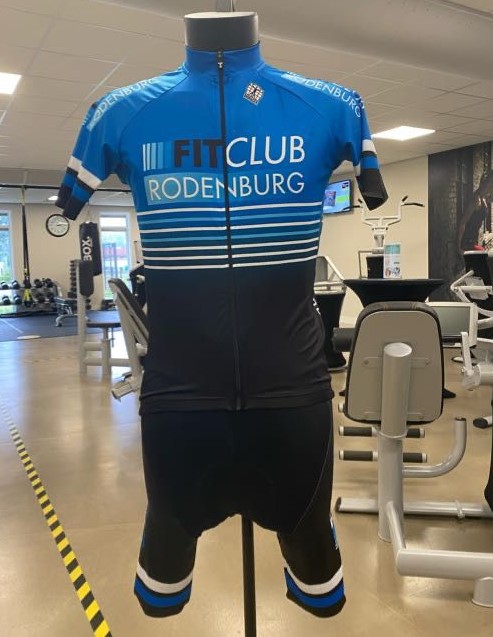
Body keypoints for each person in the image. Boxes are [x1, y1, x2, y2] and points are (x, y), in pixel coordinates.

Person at [57, 9, 387, 620]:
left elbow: (369, 185)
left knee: (321, 593)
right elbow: (70, 199)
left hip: (292, 399)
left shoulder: (333, 108)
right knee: (161, 598)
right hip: (180, 402)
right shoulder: (120, 112)